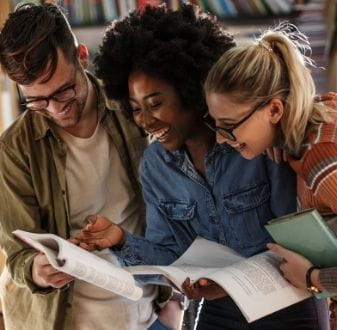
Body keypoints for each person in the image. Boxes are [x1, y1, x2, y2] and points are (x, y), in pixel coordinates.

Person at [74, 6, 329, 329]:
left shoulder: (258, 145)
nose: (144, 120)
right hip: (218, 312)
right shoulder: (156, 166)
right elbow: (171, 255)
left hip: (287, 304)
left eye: (155, 104)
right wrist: (120, 240)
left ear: (190, 89)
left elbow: (291, 242)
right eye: (136, 108)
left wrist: (230, 281)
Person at [0, 3, 179, 330]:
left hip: (148, 312)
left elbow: (176, 199)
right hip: (62, 319)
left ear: (82, 56)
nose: (56, 110)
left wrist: (173, 303)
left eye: (64, 91)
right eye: (38, 101)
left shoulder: (132, 108)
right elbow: (17, 257)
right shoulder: (14, 149)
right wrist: (38, 271)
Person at [204, 21, 337, 328]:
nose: (222, 139)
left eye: (229, 125)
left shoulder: (321, 159)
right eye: (214, 125)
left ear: (275, 111)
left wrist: (311, 277)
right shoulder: (305, 131)